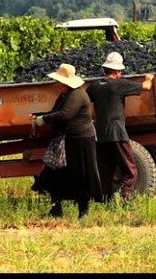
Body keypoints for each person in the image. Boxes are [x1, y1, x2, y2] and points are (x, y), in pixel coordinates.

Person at [30, 63, 102, 220]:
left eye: (59, 82)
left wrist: (43, 120)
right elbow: (56, 112)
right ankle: (56, 210)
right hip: (67, 139)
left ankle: (83, 212)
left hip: (80, 140)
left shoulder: (77, 95)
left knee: (81, 175)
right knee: (56, 175)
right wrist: (39, 116)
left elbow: (65, 115)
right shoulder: (65, 95)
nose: (57, 85)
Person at [86, 51, 153, 205]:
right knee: (130, 171)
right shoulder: (119, 84)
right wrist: (148, 78)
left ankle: (103, 201)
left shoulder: (95, 85)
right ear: (116, 72)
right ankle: (126, 200)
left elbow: (86, 98)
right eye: (120, 71)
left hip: (100, 134)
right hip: (116, 132)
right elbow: (146, 87)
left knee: (105, 170)